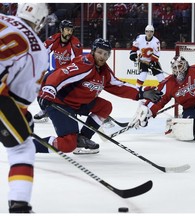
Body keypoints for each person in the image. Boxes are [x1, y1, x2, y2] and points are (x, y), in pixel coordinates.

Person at [33, 38, 162, 155]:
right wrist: (48, 89)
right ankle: (31, 147)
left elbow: (118, 85)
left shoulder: (104, 71)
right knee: (67, 144)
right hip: (58, 102)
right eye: (100, 52)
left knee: (105, 107)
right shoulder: (85, 64)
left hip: (77, 103)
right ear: (93, 51)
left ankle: (82, 139)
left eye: (106, 54)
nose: (102, 56)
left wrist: (141, 93)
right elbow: (61, 74)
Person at [0, 3, 49, 213]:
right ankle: (19, 204)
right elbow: (19, 100)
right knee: (22, 148)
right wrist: (23, 118)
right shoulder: (38, 49)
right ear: (41, 20)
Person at [34, 19, 83, 121]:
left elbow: (77, 65)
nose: (69, 32)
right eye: (67, 30)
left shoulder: (75, 44)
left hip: (69, 75)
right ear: (61, 30)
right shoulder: (54, 39)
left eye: (71, 30)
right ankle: (45, 110)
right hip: (56, 72)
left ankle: (75, 109)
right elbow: (42, 52)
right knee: (40, 85)